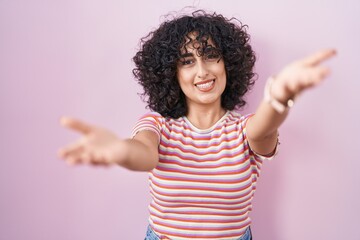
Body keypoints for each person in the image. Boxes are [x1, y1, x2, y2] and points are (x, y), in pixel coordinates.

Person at [58, 10, 336, 240]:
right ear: (172, 74)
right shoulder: (157, 125)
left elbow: (264, 129)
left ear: (228, 63)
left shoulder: (244, 129)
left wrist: (279, 96)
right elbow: (143, 152)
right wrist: (118, 150)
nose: (202, 71)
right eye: (187, 61)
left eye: (211, 55)